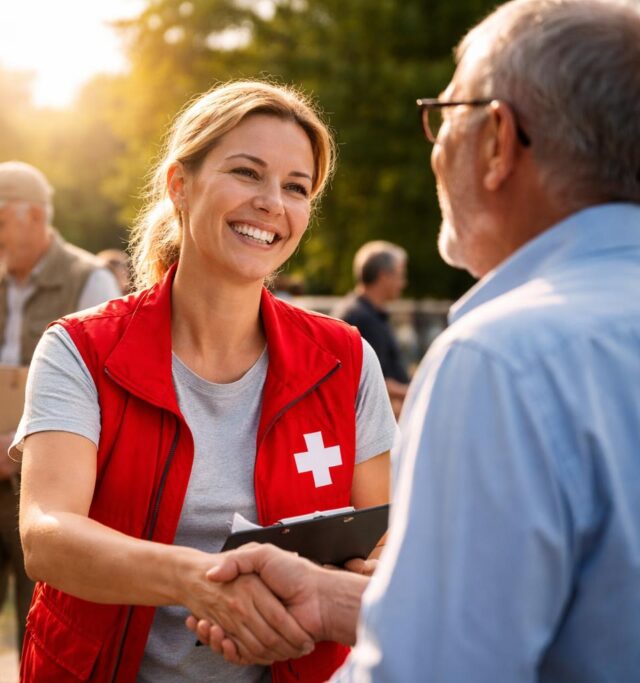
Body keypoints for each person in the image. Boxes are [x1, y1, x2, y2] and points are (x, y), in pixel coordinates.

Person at [190, 1, 640, 680]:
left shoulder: (502, 362)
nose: (434, 148)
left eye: (445, 114)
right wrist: (341, 599)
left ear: (495, 139)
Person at [16, 81, 395, 683]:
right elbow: (47, 535)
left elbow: (386, 533)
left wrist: (363, 580)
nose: (273, 202)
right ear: (179, 185)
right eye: (248, 173)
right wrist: (202, 584)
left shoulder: (345, 360)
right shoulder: (81, 350)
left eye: (296, 187)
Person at [0, 160, 121, 682]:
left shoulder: (90, 281)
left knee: (44, 640)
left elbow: (104, 393)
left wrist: (13, 448)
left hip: (54, 496)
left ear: (35, 217)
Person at [331, 242, 410, 414]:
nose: (403, 283)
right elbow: (374, 381)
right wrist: (415, 392)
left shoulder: (361, 312)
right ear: (384, 276)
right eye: (400, 276)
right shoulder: (361, 318)